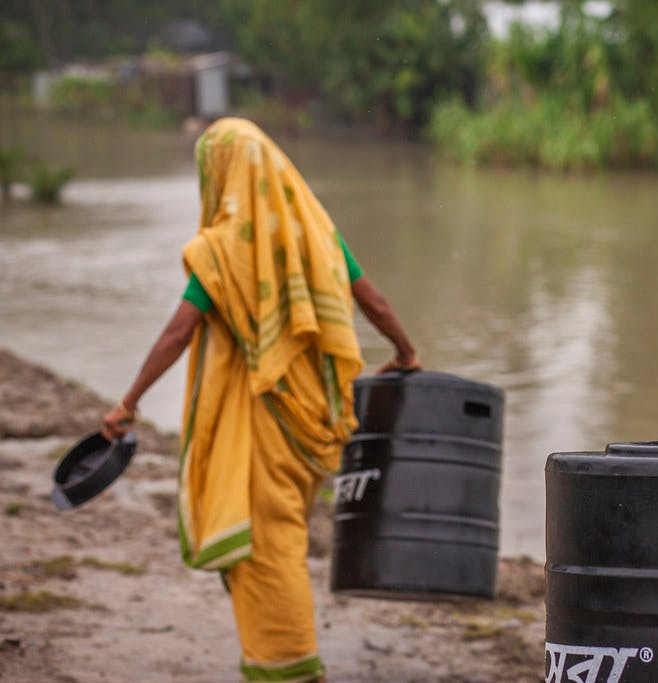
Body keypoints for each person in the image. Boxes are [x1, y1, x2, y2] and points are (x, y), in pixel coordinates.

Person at [101, 117, 420, 683]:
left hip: (266, 424)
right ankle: (278, 659)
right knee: (283, 536)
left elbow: (177, 334)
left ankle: (291, 667)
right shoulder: (317, 233)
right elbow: (373, 299)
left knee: (270, 550)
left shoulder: (223, 250)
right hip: (313, 421)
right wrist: (405, 352)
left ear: (221, 175)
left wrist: (128, 402)